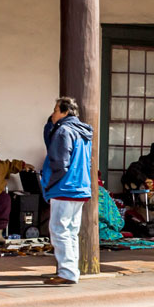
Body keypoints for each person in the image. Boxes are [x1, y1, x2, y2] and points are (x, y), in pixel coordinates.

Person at [40, 97, 93, 284]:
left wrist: (49, 184)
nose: (53, 114)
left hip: (64, 186)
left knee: (59, 230)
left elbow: (59, 163)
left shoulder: (63, 131)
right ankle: (71, 270)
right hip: (80, 187)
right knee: (70, 231)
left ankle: (67, 272)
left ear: (64, 112)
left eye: (55, 110)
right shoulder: (83, 132)